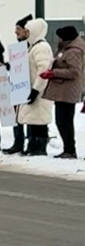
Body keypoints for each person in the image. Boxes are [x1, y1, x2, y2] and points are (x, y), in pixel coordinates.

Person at [17, 16, 55, 157]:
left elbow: (43, 71)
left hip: (39, 91)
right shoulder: (33, 47)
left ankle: (39, 146)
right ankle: (33, 145)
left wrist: (36, 90)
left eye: (27, 31)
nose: (25, 34)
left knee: (39, 119)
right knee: (32, 119)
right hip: (32, 88)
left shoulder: (41, 48)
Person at [45, 24, 82, 159]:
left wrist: (54, 72)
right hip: (62, 90)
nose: (58, 39)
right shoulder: (65, 49)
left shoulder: (73, 51)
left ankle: (70, 149)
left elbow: (74, 72)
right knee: (61, 121)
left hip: (68, 91)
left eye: (59, 37)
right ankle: (68, 148)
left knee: (64, 121)